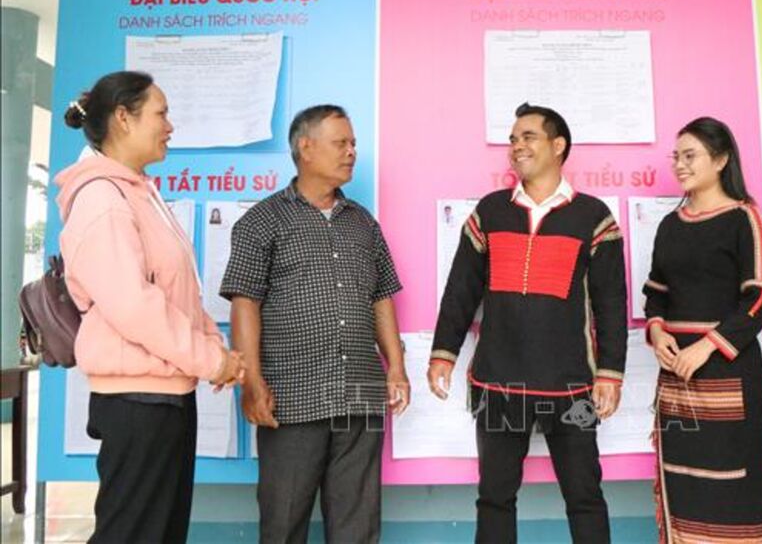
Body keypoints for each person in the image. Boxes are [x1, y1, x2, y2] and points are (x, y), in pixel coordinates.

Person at [55, 71, 245, 543]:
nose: (170, 126)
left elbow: (180, 292)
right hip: (137, 402)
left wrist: (215, 351)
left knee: (160, 533)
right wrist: (211, 360)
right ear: (123, 118)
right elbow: (135, 307)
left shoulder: (139, 192)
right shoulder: (102, 199)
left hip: (165, 396)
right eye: (161, 113)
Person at [428, 103, 627, 544]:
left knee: (585, 496)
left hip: (571, 387)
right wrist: (443, 353)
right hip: (499, 383)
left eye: (528, 137)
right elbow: (461, 290)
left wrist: (610, 373)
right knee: (494, 498)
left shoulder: (594, 217)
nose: (517, 146)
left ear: (558, 146)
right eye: (513, 139)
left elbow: (612, 303)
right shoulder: (490, 211)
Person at [221, 104, 408, 544]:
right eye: (341, 143)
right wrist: (252, 382)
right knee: (284, 523)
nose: (351, 152)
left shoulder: (363, 223)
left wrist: (396, 367)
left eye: (353, 144)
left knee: (358, 528)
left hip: (360, 393)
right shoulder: (261, 221)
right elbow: (245, 304)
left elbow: (381, 296)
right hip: (292, 396)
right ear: (305, 148)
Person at [643, 117, 762, 544]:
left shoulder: (745, 218)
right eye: (676, 156)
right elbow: (656, 294)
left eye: (690, 155)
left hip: (728, 376)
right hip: (676, 378)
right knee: (682, 482)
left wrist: (706, 347)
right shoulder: (670, 225)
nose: (680, 165)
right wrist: (658, 332)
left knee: (731, 485)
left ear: (720, 160)